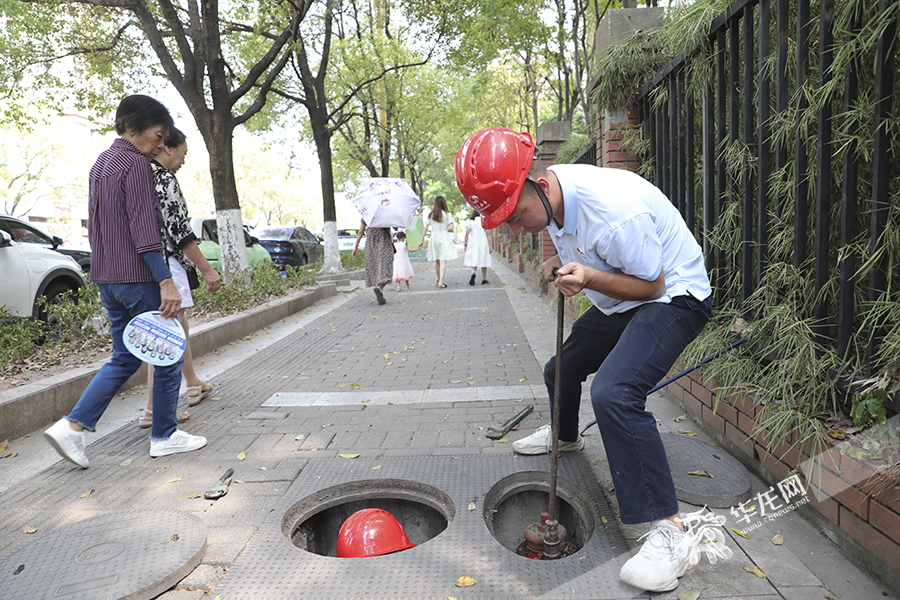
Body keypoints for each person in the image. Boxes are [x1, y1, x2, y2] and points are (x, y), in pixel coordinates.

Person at [455, 127, 714, 593]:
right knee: (561, 369)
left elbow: (651, 286)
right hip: (623, 298)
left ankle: (670, 531)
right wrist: (557, 266)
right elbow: (568, 241)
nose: (515, 229)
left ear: (538, 182)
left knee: (614, 392)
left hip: (674, 296)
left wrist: (590, 276)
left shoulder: (613, 211)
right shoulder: (552, 197)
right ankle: (566, 436)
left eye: (514, 216)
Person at [43, 95, 208, 467]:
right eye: (157, 135)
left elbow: (98, 226)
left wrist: (101, 275)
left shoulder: (102, 162)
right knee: (168, 352)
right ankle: (164, 435)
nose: (160, 145)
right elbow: (145, 229)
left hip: (108, 279)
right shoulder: (136, 164)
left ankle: (73, 427)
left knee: (123, 358)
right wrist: (166, 281)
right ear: (132, 128)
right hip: (138, 276)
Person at [140, 127, 222, 429]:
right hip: (165, 264)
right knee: (165, 336)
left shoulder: (134, 174)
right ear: (166, 147)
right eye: (183, 153)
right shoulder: (162, 177)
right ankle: (153, 410)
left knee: (171, 330)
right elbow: (181, 231)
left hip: (140, 265)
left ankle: (191, 383)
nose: (183, 161)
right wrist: (208, 270)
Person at [352, 219, 393, 305]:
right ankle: (379, 288)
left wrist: (356, 247)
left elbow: (360, 231)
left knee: (376, 268)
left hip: (371, 244)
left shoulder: (367, 214)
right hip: (384, 243)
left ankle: (380, 291)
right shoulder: (386, 213)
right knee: (387, 269)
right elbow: (395, 227)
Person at [424, 196, 456, 288]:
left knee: (437, 261)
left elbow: (426, 228)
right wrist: (446, 229)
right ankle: (441, 282)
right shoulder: (447, 214)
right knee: (443, 261)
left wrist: (422, 240)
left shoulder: (431, 215)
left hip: (434, 237)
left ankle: (439, 279)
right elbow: (451, 228)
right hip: (443, 237)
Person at [463, 209, 492, 285]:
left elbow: (467, 233)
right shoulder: (485, 220)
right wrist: (490, 245)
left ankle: (473, 272)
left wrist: (465, 244)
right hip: (483, 242)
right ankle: (484, 279)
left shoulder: (470, 221)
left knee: (474, 258)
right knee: (484, 260)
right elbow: (488, 233)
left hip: (473, 242)